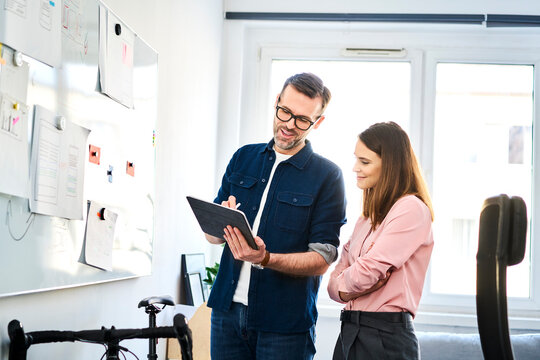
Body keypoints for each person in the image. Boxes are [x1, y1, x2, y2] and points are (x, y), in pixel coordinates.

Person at [203, 73, 347, 360]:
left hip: (284, 325)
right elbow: (212, 236)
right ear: (276, 103)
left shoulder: (328, 176)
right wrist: (223, 221)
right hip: (226, 314)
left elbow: (322, 260)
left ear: (318, 122)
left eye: (303, 120)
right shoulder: (243, 157)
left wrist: (266, 259)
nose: (289, 125)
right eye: (285, 112)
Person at [327, 121, 434, 360]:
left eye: (365, 162)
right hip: (350, 330)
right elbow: (334, 283)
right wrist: (347, 291)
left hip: (385, 336)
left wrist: (347, 283)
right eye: (356, 159)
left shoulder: (411, 209)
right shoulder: (367, 217)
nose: (356, 168)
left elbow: (368, 271)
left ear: (391, 166)